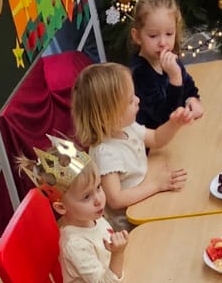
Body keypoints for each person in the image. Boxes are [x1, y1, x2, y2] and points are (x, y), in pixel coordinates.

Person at [18, 135, 127, 283]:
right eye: (86, 196)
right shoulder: (74, 244)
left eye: (98, 187)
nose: (98, 199)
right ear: (61, 207)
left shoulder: (92, 217)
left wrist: (117, 254)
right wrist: (118, 254)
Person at [71, 62, 188, 229]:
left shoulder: (126, 127)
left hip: (147, 198)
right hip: (132, 222)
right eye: (130, 100)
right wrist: (156, 185)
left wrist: (174, 124)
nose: (138, 100)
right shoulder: (106, 152)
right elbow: (116, 200)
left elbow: (156, 139)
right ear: (109, 116)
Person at [130, 0, 203, 128]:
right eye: (153, 35)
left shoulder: (169, 59)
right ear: (137, 36)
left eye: (169, 34)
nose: (163, 43)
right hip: (154, 139)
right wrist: (175, 78)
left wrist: (192, 100)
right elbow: (164, 119)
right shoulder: (139, 73)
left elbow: (188, 86)